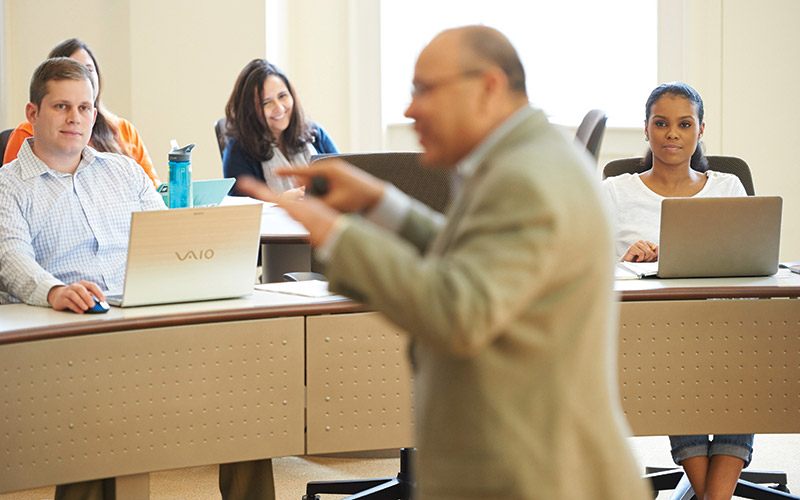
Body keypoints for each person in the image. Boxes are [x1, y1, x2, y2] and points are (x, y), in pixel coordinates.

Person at [237, 26, 649, 500]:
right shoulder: (524, 159)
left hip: (535, 474)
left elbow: (458, 309)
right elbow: (473, 258)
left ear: (488, 87)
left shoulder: (526, 178)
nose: (411, 109)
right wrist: (379, 202)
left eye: (424, 90)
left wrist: (335, 234)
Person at [0, 57, 274, 500]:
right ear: (33, 115)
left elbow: (171, 242)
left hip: (146, 320)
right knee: (91, 423)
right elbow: (11, 258)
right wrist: (55, 290)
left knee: (244, 401)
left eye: (85, 108)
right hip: (71, 335)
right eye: (61, 107)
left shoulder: (124, 172)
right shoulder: (7, 186)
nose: (76, 118)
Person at [601, 82, 752, 500]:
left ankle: (710, 496)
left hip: (726, 323)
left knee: (750, 349)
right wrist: (625, 259)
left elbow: (750, 261)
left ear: (700, 130)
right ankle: (715, 497)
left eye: (684, 124)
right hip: (653, 329)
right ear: (646, 130)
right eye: (661, 123)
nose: (672, 133)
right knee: (673, 344)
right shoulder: (616, 191)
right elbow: (584, 264)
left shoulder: (728, 187)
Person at [2, 38, 160, 187]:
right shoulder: (28, 133)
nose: (82, 78)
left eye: (89, 70)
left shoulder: (124, 130)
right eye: (61, 106)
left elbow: (154, 191)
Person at [222, 58, 337, 197]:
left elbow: (343, 175)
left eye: (282, 96)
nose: (279, 107)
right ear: (250, 110)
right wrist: (280, 201)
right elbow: (243, 209)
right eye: (266, 103)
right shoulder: (238, 149)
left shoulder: (314, 133)